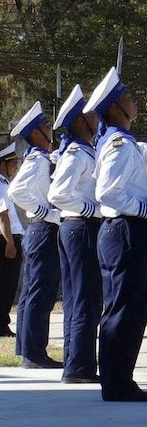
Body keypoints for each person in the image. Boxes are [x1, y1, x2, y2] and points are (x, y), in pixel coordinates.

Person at [88, 66, 147, 402]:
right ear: (115, 108)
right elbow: (108, 193)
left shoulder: (124, 141)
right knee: (121, 308)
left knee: (131, 308)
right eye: (128, 97)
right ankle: (116, 383)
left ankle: (120, 379)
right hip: (124, 229)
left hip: (126, 230)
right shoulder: (117, 144)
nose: (135, 101)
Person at [9, 102, 65, 372]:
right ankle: (34, 353)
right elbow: (17, 191)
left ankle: (29, 350)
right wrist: (46, 212)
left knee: (34, 292)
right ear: (34, 135)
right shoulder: (37, 159)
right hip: (44, 228)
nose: (49, 130)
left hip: (40, 229)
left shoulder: (43, 157)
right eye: (44, 127)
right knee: (40, 293)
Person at [49, 86, 99, 379]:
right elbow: (59, 194)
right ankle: (79, 366)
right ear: (80, 121)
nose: (97, 116)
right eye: (91, 113)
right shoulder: (77, 153)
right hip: (81, 226)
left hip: (77, 227)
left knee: (79, 297)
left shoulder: (83, 150)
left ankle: (75, 363)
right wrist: (94, 209)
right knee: (84, 298)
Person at [0, 143, 21, 339]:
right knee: (5, 284)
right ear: (3, 165)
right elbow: (3, 216)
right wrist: (9, 242)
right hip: (6, 239)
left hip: (9, 238)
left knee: (8, 284)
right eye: (13, 164)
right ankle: (1, 325)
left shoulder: (6, 184)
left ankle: (2, 323)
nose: (16, 168)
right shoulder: (0, 185)